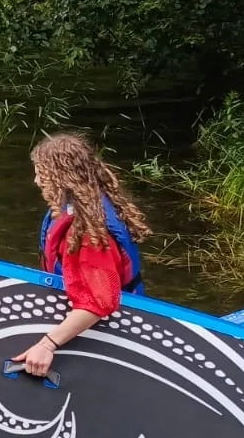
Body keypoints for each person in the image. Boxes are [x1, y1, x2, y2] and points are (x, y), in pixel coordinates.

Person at [12, 132, 151, 381]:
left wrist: (47, 345)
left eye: (41, 173)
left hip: (112, 332)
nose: (36, 180)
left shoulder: (87, 235)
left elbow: (98, 303)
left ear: (62, 177)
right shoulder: (87, 204)